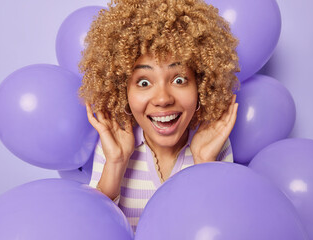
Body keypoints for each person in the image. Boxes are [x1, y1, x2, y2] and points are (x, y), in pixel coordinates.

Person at [79, 0, 239, 232]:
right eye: (144, 82)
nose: (163, 98)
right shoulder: (115, 146)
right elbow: (92, 230)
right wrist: (116, 162)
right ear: (123, 89)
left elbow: (225, 228)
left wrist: (204, 162)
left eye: (179, 80)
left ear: (202, 85)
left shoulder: (212, 142)